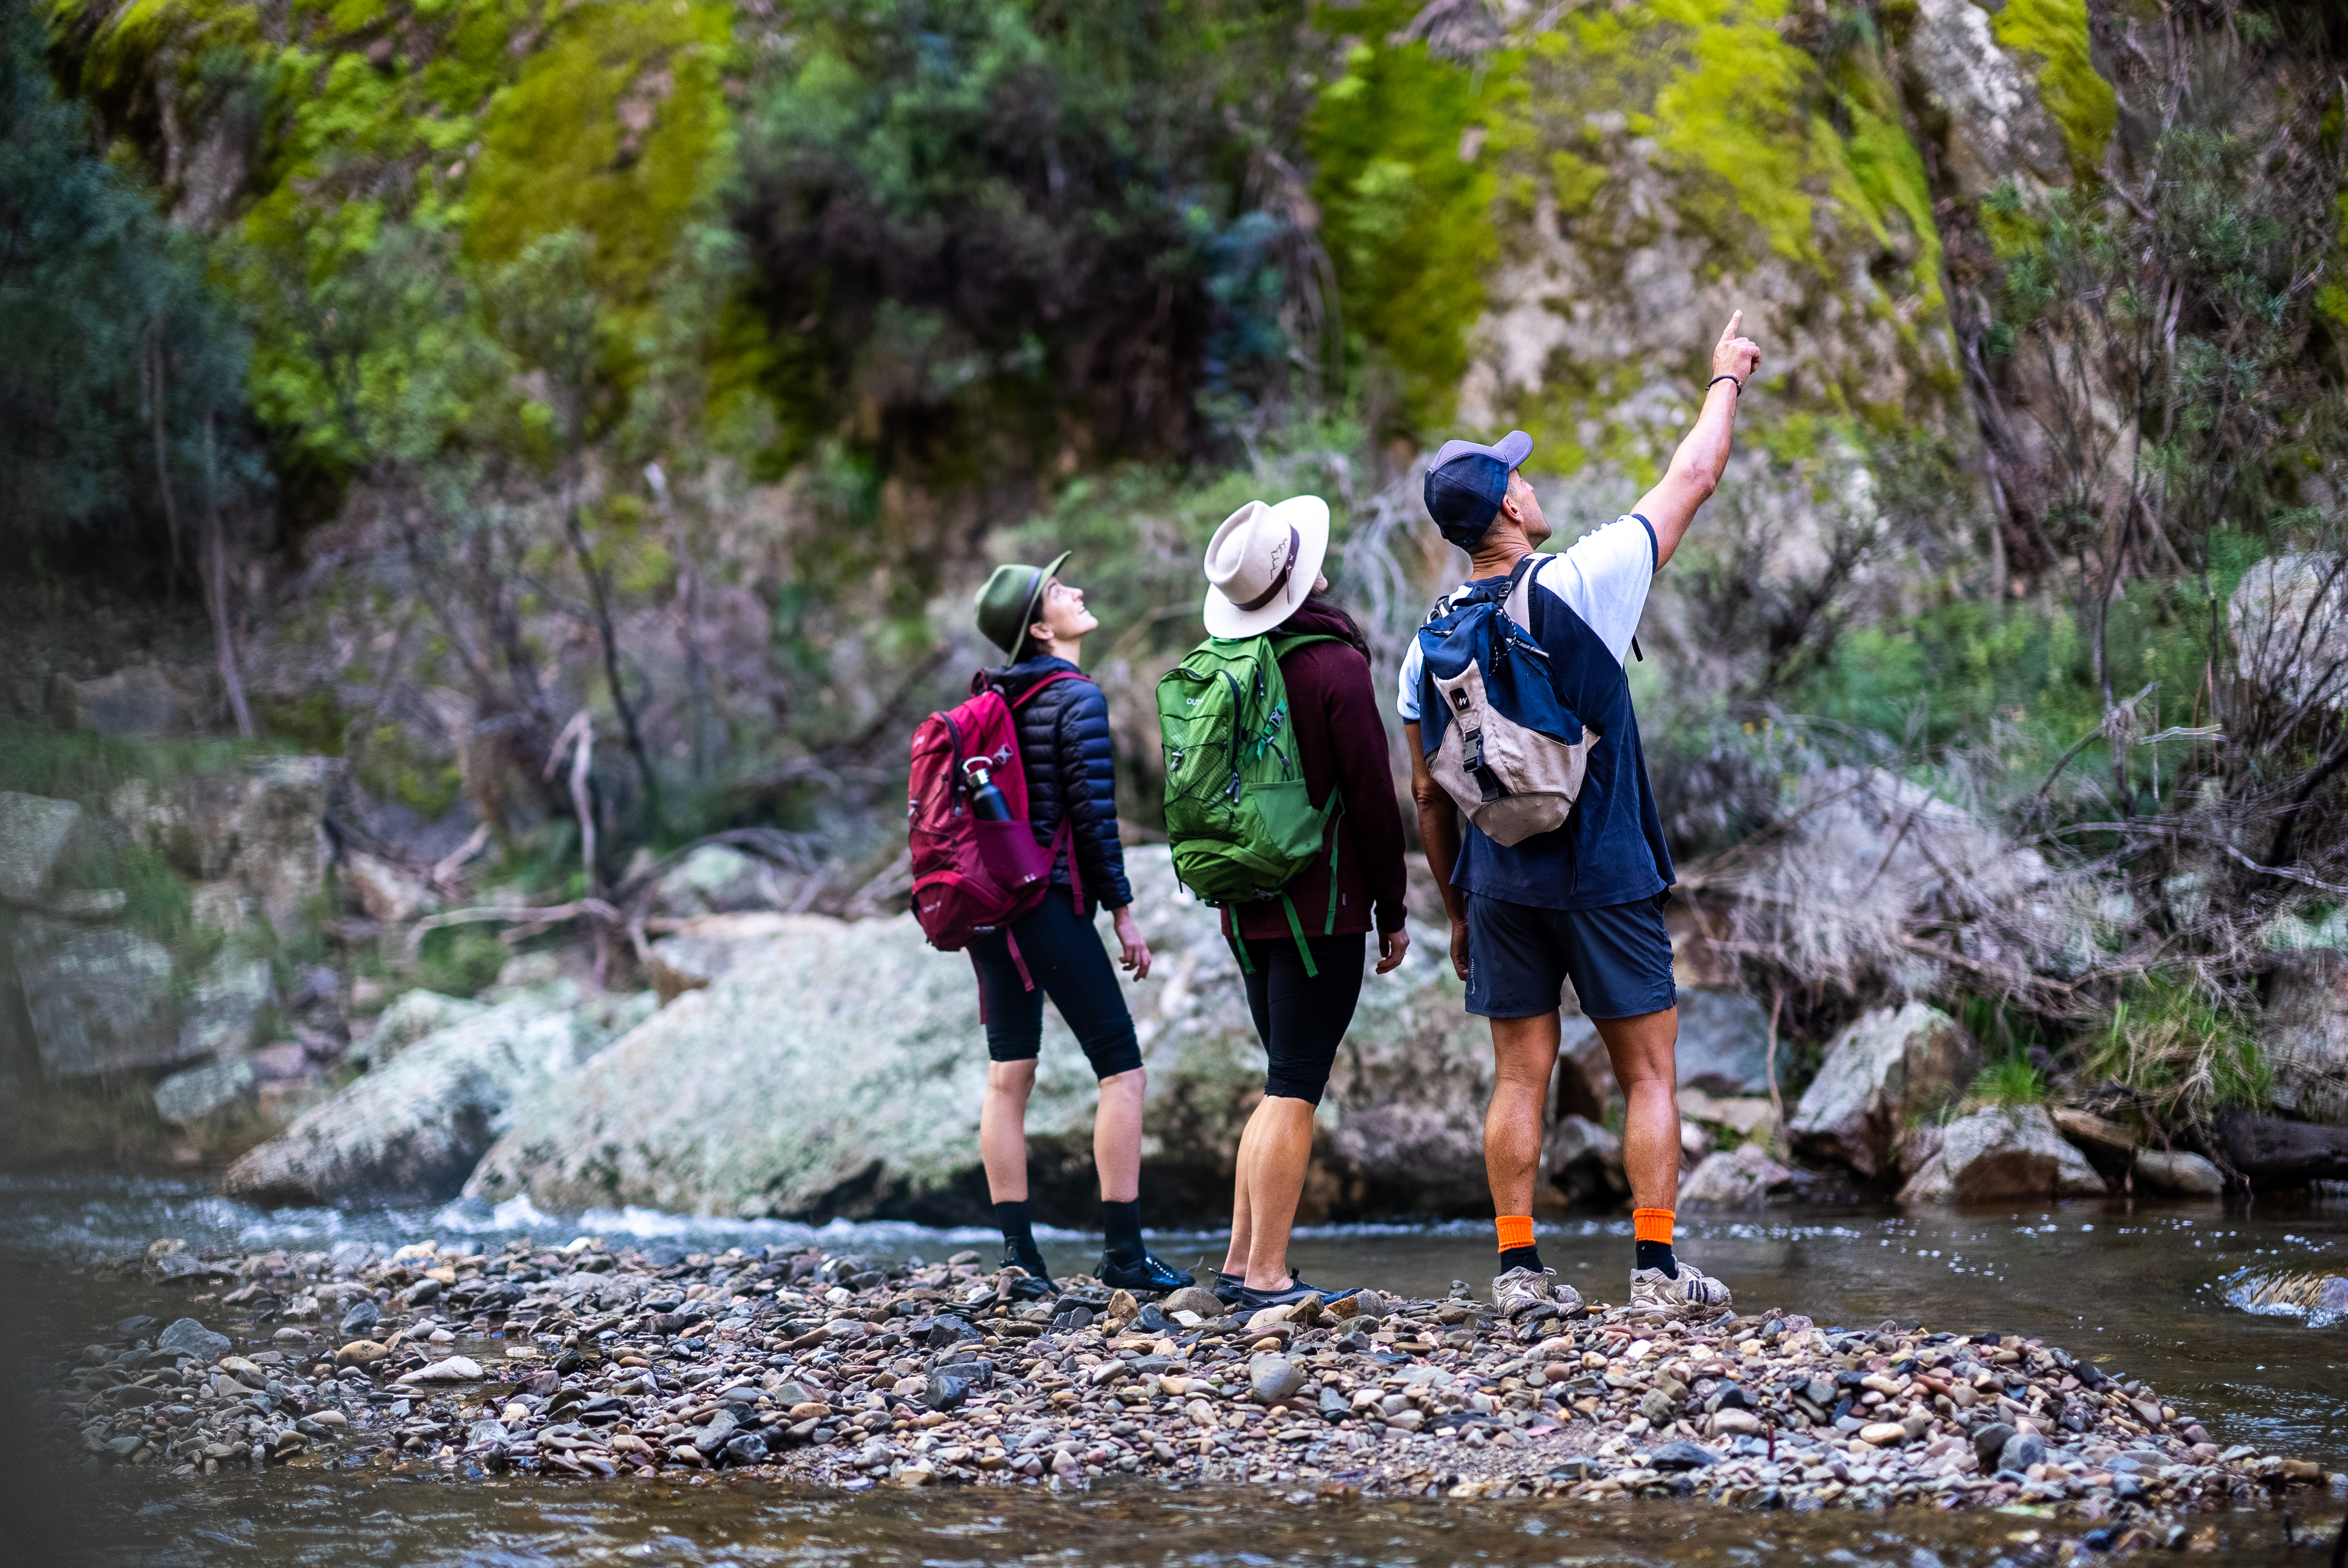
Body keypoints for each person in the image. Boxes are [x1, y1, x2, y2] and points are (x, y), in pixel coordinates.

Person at [1400, 312, 1765, 1325]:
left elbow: (1428, 795)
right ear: (1512, 504)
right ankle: (1655, 1272)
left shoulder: (1426, 642)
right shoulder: (1583, 580)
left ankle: (1519, 1274)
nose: (1531, 482)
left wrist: (1460, 907)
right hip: (1603, 870)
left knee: (1520, 1073)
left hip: (1500, 883)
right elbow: (1694, 476)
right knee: (1648, 1065)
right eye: (1520, 475)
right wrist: (1724, 378)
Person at [1189, 499, 1414, 1312]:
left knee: (1279, 1079)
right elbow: (1372, 802)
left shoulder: (1226, 660)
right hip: (1322, 910)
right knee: (1295, 1086)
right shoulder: (1333, 667)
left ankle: (1240, 1259)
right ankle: (1267, 1276)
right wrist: (1393, 908)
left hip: (1245, 907)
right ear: (1299, 576)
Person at [969, 552, 1192, 1296]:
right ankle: (1125, 1256)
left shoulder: (990, 702)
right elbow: (1095, 822)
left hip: (989, 911)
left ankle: (1020, 1259)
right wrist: (1124, 913)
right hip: (1047, 906)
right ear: (1040, 627)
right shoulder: (1076, 699)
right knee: (1122, 1073)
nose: (1078, 592)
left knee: (1009, 1078)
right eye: (1062, 592)